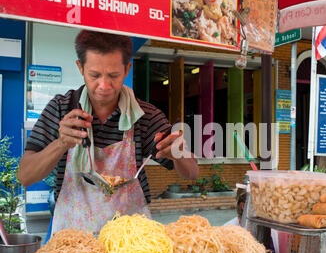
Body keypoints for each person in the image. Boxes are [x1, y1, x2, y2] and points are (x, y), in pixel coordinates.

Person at [18, 30, 199, 235]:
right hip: (74, 242)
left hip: (132, 243)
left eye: (113, 75)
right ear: (80, 67)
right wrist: (60, 143)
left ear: (127, 69)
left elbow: (192, 173)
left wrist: (178, 154)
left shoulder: (145, 116)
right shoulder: (61, 108)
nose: (104, 86)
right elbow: (25, 176)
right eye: (94, 75)